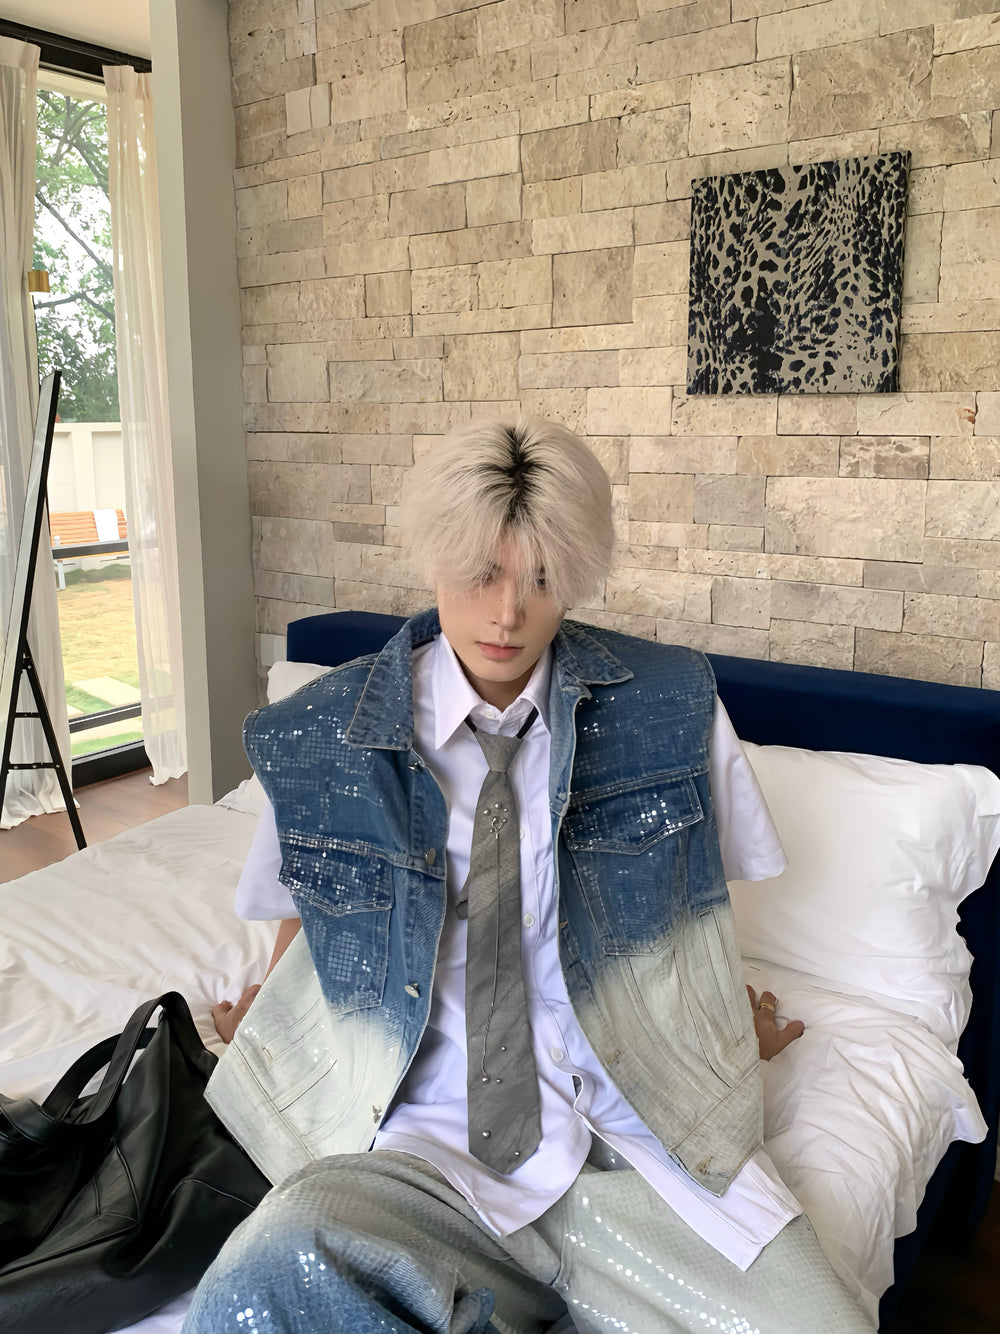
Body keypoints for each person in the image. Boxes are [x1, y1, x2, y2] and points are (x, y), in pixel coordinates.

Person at [184, 417, 870, 1333]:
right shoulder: (323, 732)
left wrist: (719, 1027)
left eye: (542, 578)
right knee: (257, 1283)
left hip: (635, 1139)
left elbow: (693, 906)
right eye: (482, 573)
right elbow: (314, 912)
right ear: (437, 558)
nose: (507, 612)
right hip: (418, 1149)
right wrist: (279, 1020)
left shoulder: (671, 706)